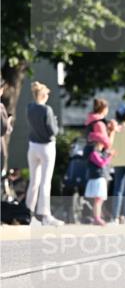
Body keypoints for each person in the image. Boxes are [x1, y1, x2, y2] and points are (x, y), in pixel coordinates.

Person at [26, 81, 63, 226]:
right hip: (46, 147)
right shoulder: (46, 110)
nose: (48, 96)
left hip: (33, 146)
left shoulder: (29, 108)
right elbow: (53, 131)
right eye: (46, 93)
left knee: (34, 181)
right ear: (42, 95)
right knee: (45, 182)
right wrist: (54, 121)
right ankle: (45, 214)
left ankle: (28, 213)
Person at [84, 136, 113, 226]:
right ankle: (97, 218)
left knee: (99, 200)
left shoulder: (98, 153)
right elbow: (101, 163)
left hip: (99, 178)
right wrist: (109, 156)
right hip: (97, 179)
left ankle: (97, 217)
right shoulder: (94, 154)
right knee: (98, 200)